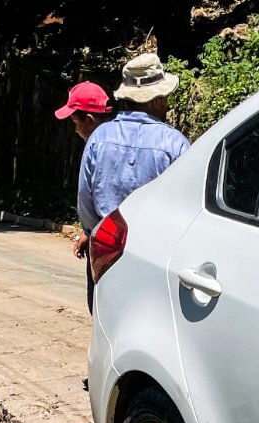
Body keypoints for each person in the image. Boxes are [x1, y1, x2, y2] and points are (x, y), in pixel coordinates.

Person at [75, 52, 189, 313]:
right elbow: (184, 206)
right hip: (155, 254)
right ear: (158, 99)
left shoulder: (99, 137)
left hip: (106, 252)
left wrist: (96, 234)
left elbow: (85, 200)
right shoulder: (174, 144)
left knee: (105, 324)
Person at [55, 81, 113, 315]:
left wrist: (88, 233)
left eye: (75, 122)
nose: (75, 129)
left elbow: (88, 198)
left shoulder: (97, 145)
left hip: (107, 240)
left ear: (89, 120)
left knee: (100, 308)